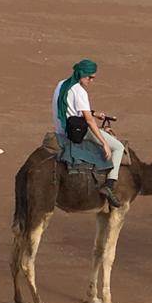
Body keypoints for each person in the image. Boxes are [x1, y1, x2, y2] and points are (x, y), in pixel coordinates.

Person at [52, 58, 124, 207]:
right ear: (82, 74)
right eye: (90, 77)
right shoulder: (80, 91)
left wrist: (93, 113)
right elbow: (89, 121)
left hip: (60, 128)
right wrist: (104, 143)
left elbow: (70, 108)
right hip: (75, 132)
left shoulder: (62, 85)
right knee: (118, 147)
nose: (91, 81)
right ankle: (109, 186)